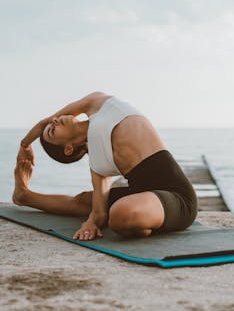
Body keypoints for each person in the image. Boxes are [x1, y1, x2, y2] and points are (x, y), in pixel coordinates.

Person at [13, 91, 198, 241]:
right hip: (143, 198)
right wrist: (91, 223)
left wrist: (25, 144)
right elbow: (98, 212)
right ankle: (25, 196)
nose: (54, 121)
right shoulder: (98, 160)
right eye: (53, 131)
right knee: (85, 200)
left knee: (119, 214)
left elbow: (46, 120)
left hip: (177, 198)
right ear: (68, 149)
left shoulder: (96, 102)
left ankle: (138, 222)